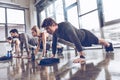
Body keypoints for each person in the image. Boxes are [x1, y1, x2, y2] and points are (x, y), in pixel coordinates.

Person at [41, 17, 114, 63]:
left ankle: (109, 44)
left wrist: (81, 56)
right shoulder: (55, 33)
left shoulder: (65, 26)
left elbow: (74, 38)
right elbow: (54, 43)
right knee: (98, 42)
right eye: (45, 29)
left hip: (86, 36)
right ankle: (107, 44)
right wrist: (53, 55)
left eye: (47, 28)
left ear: (53, 24)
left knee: (99, 41)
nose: (47, 31)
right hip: (81, 41)